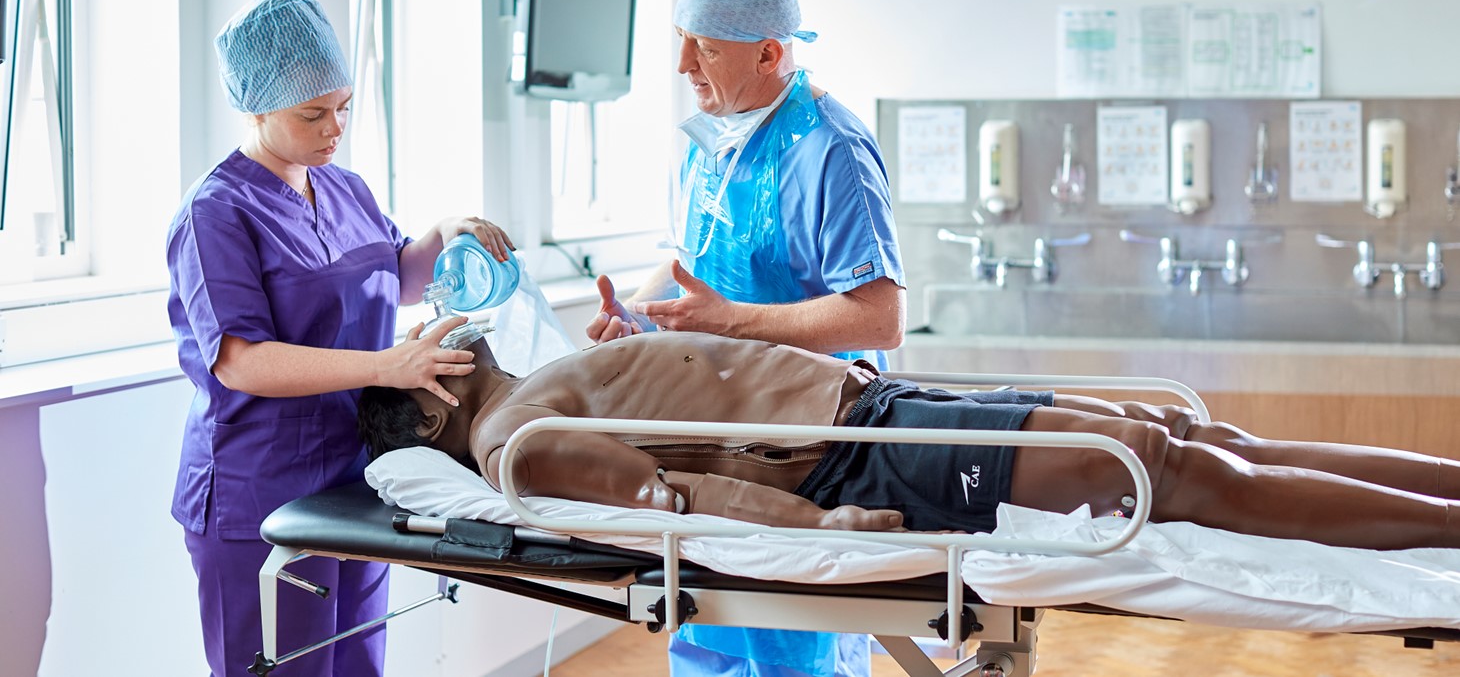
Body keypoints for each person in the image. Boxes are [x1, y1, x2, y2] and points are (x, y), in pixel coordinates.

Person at [359, 330, 1460, 552]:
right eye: (410, 352)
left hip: (880, 403)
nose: (428, 333)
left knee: (1171, 430)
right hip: (861, 460)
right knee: (1164, 474)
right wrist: (821, 522)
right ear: (424, 412)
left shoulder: (543, 364)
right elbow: (671, 504)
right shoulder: (512, 441)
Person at [165, 0, 515, 676]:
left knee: (357, 663)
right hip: (258, 490)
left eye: (344, 105)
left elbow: (397, 273)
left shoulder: (345, 188)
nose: (337, 127)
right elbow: (240, 362)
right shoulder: (215, 212)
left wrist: (446, 234)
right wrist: (388, 366)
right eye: (313, 113)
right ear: (257, 105)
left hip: (358, 477)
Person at [586, 0, 904, 672]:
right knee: (706, 627)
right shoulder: (709, 145)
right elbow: (685, 273)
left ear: (767, 52)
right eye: (680, 40)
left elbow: (881, 316)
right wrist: (634, 316)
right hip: (706, 442)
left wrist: (733, 322)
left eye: (701, 47)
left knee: (794, 641)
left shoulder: (832, 151)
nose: (680, 66)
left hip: (807, 447)